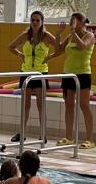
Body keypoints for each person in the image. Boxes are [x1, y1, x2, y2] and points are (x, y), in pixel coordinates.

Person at [7, 10, 58, 143]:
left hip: (40, 73)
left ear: (42, 22)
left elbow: (60, 48)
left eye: (37, 20)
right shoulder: (25, 35)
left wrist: (50, 57)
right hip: (26, 72)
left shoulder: (46, 36)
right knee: (26, 104)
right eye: (33, 20)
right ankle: (21, 132)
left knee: (40, 104)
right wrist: (20, 55)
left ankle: (43, 133)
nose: (35, 22)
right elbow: (11, 47)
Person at [55, 12, 96, 149]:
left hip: (83, 74)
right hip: (68, 73)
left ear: (82, 22)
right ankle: (68, 137)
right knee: (68, 104)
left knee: (84, 105)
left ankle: (90, 139)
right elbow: (58, 50)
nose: (71, 23)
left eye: (74, 20)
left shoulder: (89, 35)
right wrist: (58, 34)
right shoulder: (70, 36)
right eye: (70, 20)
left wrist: (73, 32)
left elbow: (83, 46)